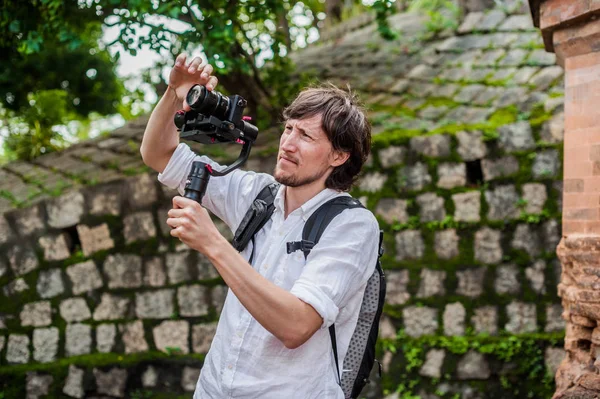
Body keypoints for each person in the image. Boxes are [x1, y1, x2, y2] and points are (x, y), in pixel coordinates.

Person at [140, 53, 379, 399]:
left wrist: (213, 244)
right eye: (288, 128)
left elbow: (296, 326)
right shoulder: (257, 194)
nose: (288, 144)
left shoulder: (352, 226)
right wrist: (174, 93)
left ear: (338, 156)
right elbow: (158, 154)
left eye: (306, 137)